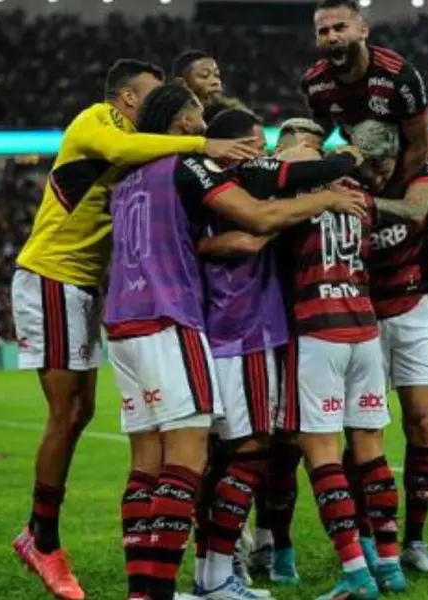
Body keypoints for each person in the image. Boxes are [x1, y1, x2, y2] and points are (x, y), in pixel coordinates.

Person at [10, 60, 261, 600]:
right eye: (147, 98)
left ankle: (47, 538)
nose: (151, 110)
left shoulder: (149, 153)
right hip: (52, 272)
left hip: (89, 288)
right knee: (67, 412)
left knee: (82, 413)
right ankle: (42, 539)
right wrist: (202, 147)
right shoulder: (96, 122)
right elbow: (125, 152)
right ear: (125, 98)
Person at [110, 86, 367, 600]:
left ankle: (156, 586)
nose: (207, 131)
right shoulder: (192, 166)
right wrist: (330, 192)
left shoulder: (125, 178)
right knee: (224, 455)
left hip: (124, 321)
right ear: (183, 124)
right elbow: (258, 219)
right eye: (199, 118)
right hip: (220, 324)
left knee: (152, 463)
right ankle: (200, 579)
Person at [300, 0, 428, 414]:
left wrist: (397, 196)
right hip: (366, 169)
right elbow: (318, 138)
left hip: (416, 168)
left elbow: (418, 145)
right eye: (323, 31)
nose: (332, 37)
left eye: (340, 27)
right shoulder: (315, 83)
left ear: (362, 30)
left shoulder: (399, 75)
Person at [192, 108, 367, 599]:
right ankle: (216, 574)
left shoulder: (205, 183)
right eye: (259, 143)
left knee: (231, 456)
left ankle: (221, 564)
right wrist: (342, 166)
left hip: (235, 331)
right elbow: (261, 222)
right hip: (243, 331)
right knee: (250, 454)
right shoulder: (240, 176)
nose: (266, 152)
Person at [274, 120, 408, 600]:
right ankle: (390, 564)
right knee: (371, 448)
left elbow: (276, 197)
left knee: (322, 451)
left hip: (318, 330)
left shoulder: (298, 185)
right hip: (364, 328)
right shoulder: (362, 198)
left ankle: (355, 570)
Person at [342, 120, 428, 573]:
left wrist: (363, 202)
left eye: (386, 167)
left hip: (412, 310)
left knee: (421, 421)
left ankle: (416, 541)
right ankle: (367, 534)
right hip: (361, 312)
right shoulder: (340, 179)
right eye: (373, 170)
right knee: (365, 431)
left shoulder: (417, 173)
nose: (380, 176)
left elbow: (416, 210)